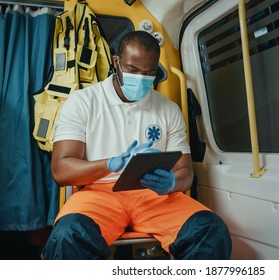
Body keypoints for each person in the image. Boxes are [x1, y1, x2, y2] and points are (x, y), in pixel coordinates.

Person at [42, 31, 232, 260]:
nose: (141, 78)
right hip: (99, 193)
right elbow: (61, 170)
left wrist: (171, 183)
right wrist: (110, 164)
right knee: (68, 236)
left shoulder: (168, 109)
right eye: (132, 70)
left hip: (154, 195)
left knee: (210, 231)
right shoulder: (83, 101)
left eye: (149, 73)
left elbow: (185, 173)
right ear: (116, 62)